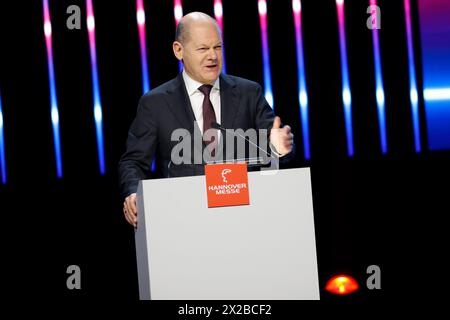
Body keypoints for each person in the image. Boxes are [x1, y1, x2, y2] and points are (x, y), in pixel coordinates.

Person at [119, 12, 294, 227]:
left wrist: (278, 148)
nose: (213, 56)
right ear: (178, 50)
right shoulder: (155, 103)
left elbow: (276, 150)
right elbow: (134, 162)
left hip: (246, 218)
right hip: (185, 220)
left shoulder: (249, 93)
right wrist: (132, 193)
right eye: (203, 48)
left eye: (217, 47)